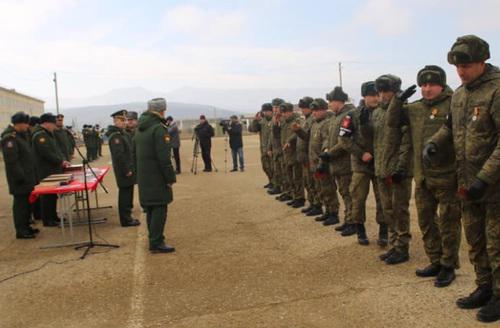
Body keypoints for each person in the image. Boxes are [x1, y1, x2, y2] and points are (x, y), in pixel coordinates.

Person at [427, 35, 500, 322]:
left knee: (497, 242)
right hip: (466, 183)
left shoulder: (496, 90)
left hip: (493, 186)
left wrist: (485, 177)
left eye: (466, 65)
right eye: (457, 66)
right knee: (475, 239)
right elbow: (449, 128)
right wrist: (434, 142)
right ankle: (484, 286)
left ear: (483, 61)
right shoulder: (459, 94)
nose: (461, 71)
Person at [386, 65, 461, 288]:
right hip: (422, 176)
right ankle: (435, 260)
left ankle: (448, 265)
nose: (427, 89)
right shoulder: (416, 108)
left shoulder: (454, 103)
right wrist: (398, 101)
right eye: (423, 85)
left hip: (447, 176)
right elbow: (392, 123)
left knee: (449, 223)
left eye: (432, 84)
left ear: (442, 84)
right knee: (426, 222)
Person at [339, 81, 387, 246]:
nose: (375, 98)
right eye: (371, 95)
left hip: (381, 164)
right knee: (358, 199)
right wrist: (361, 153)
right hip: (361, 165)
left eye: (377, 94)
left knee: (384, 200)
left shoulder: (385, 113)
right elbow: (343, 139)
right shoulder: (352, 115)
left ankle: (384, 232)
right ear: (364, 96)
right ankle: (360, 230)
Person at [374, 74, 413, 265]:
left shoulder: (403, 111)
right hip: (382, 168)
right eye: (380, 91)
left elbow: (407, 143)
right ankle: (393, 245)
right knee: (388, 210)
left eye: (386, 91)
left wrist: (400, 167)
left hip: (398, 171)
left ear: (395, 91)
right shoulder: (378, 113)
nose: (382, 95)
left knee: (400, 210)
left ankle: (402, 247)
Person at [135, 98, 176, 253]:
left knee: (151, 208)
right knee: (159, 208)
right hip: (157, 176)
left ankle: (154, 238)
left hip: (145, 176)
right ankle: (156, 241)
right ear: (162, 110)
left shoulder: (140, 127)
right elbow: (164, 157)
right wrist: (170, 178)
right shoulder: (158, 129)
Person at [321, 87, 355, 235]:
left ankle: (352, 222)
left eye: (330, 101)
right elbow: (329, 138)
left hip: (345, 162)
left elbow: (345, 141)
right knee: (343, 192)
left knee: (349, 194)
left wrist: (331, 153)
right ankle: (348, 220)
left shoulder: (348, 115)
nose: (329, 104)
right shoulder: (335, 117)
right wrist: (326, 150)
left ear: (338, 101)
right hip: (336, 163)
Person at [1, 112, 39, 238]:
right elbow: (12, 161)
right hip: (19, 178)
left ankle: (26, 226)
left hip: (27, 176)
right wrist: (20, 177)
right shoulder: (10, 138)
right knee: (21, 205)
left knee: (27, 203)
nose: (28, 126)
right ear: (20, 123)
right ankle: (21, 230)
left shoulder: (20, 135)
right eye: (26, 124)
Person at [31, 113, 71, 227]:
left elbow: (56, 150)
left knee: (53, 195)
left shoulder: (48, 134)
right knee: (47, 196)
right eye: (53, 123)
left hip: (52, 169)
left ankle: (53, 216)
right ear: (47, 123)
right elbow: (47, 153)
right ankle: (47, 220)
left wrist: (62, 159)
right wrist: (61, 161)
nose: (54, 126)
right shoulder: (40, 136)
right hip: (45, 170)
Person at [106, 110, 140, 227]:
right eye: (123, 120)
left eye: (126, 120)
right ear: (116, 121)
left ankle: (128, 217)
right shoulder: (116, 136)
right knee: (125, 195)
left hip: (128, 169)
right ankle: (125, 220)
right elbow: (119, 156)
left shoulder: (121, 134)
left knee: (128, 193)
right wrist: (127, 170)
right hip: (123, 171)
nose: (126, 122)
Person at [292, 97, 322, 215]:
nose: (303, 110)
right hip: (304, 156)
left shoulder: (313, 120)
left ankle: (317, 205)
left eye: (305, 107)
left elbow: (309, 138)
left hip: (310, 156)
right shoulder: (305, 120)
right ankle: (312, 203)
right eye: (302, 108)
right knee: (308, 182)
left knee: (314, 183)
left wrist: (299, 131)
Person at [309, 98, 337, 222]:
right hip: (314, 161)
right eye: (313, 111)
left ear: (324, 110)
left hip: (323, 162)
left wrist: (322, 162)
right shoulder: (315, 124)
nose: (314, 113)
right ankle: (327, 210)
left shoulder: (327, 124)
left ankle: (333, 213)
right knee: (321, 188)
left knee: (328, 188)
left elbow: (326, 143)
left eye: (317, 110)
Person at [280, 103, 305, 207]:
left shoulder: (298, 120)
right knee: (290, 177)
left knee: (297, 177)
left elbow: (298, 132)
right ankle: (294, 195)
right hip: (287, 154)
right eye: (283, 112)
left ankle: (300, 198)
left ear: (291, 111)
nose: (284, 114)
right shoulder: (285, 122)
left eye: (286, 112)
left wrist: (289, 140)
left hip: (295, 153)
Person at [249, 104, 274, 188]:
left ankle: (276, 183)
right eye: (264, 111)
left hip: (272, 149)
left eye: (266, 111)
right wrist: (255, 120)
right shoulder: (262, 121)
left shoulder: (275, 120)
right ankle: (271, 181)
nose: (265, 113)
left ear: (271, 111)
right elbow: (252, 129)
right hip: (263, 148)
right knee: (265, 167)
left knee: (274, 168)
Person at [267, 98, 286, 195]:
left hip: (282, 149)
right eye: (274, 107)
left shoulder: (284, 119)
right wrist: (269, 148)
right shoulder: (273, 119)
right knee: (277, 170)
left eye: (277, 107)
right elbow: (271, 136)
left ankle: (286, 190)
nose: (275, 109)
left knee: (284, 171)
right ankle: (278, 187)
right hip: (275, 149)